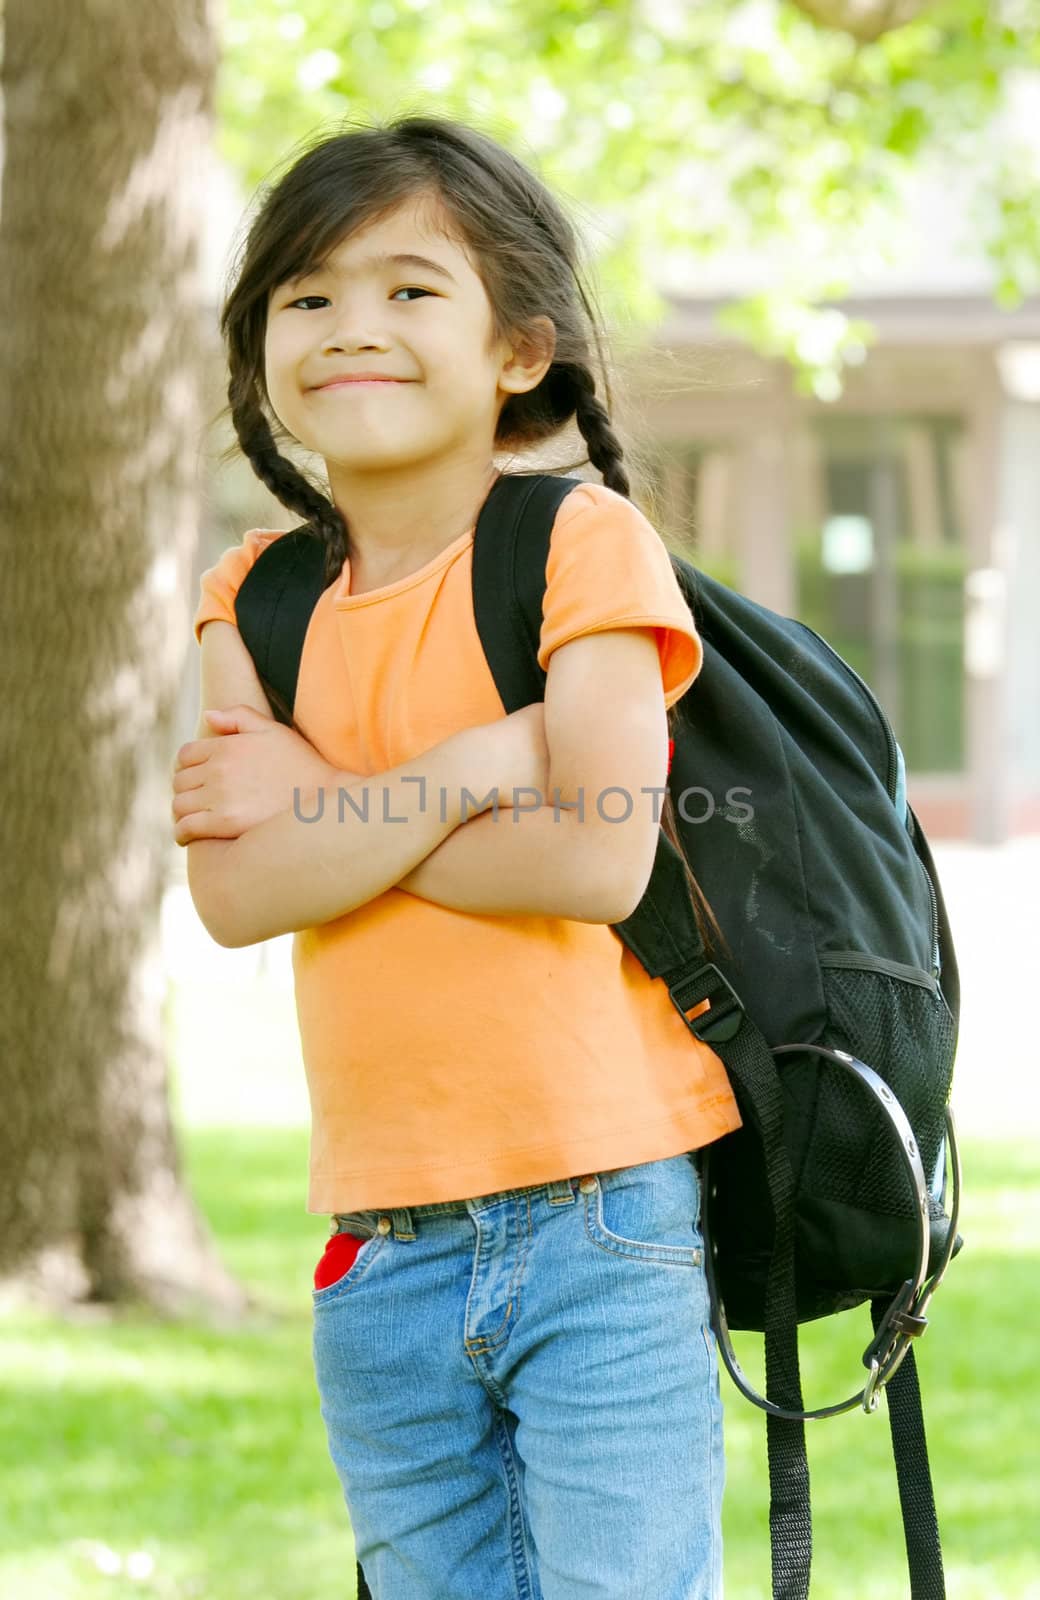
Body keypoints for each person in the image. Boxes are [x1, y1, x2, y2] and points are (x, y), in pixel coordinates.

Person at [172, 112, 742, 1600]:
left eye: (410, 289)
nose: (352, 326)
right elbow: (235, 894)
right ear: (261, 354)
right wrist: (479, 765)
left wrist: (327, 805)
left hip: (601, 1218)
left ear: (518, 349)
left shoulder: (579, 545)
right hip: (381, 1244)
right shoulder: (257, 594)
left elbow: (595, 861)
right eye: (308, 298)